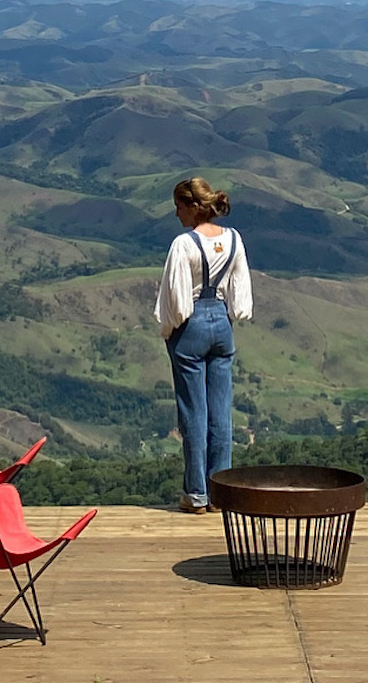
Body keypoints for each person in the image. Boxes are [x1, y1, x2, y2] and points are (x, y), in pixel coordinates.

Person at [154, 177, 253, 514]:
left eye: (179, 206)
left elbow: (176, 299)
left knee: (193, 414)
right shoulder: (234, 239)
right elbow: (240, 296)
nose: (176, 213)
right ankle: (220, 492)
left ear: (194, 207)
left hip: (191, 325)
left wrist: (168, 330)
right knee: (221, 412)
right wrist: (230, 316)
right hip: (222, 324)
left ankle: (196, 494)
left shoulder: (183, 244)